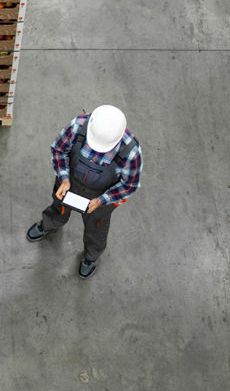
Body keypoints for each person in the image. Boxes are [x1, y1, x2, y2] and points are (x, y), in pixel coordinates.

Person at [26, 105, 143, 278]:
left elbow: (129, 186)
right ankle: (49, 223)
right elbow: (59, 150)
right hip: (69, 183)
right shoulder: (78, 126)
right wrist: (64, 178)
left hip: (100, 197)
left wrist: (102, 200)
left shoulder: (131, 153)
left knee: (97, 227)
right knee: (59, 206)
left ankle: (90, 256)